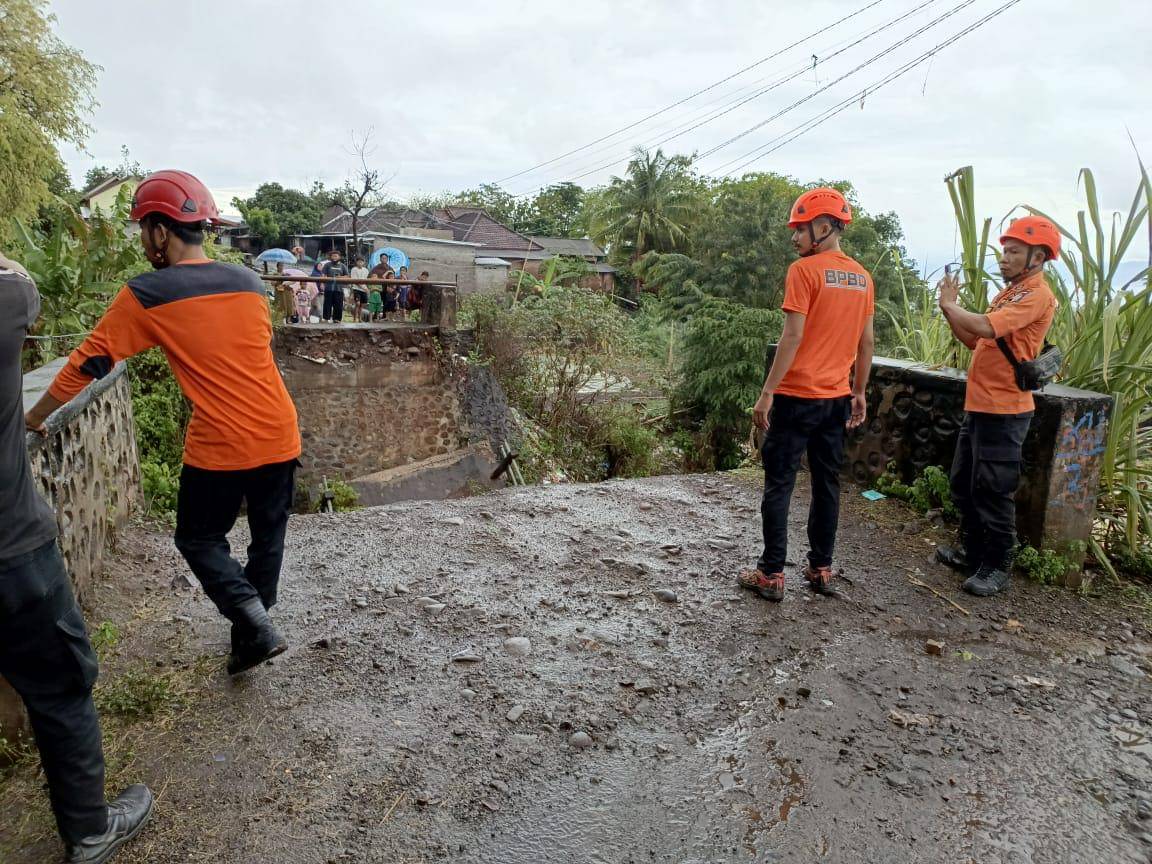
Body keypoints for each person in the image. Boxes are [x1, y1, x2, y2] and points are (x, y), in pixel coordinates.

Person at [24, 170, 302, 676]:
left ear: (160, 230)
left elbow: (89, 363)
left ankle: (255, 627)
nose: (143, 239)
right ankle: (251, 634)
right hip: (281, 431)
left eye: (143, 228)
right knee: (268, 538)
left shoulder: (149, 293)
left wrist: (35, 417)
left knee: (198, 539)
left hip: (221, 442)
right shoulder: (249, 282)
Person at [1, 251, 154, 863]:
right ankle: (90, 831)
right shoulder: (7, 298)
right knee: (62, 686)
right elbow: (19, 282)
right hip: (11, 552)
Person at [738, 188, 874, 602]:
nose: (794, 238)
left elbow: (792, 336)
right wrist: (859, 391)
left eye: (799, 229)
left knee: (779, 485)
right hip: (835, 400)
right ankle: (821, 569)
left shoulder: (804, 272)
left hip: (796, 397)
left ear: (824, 226)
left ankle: (771, 574)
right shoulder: (862, 277)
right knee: (827, 485)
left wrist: (767, 393)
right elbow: (866, 343)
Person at [934, 216, 1059, 597]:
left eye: (1014, 252)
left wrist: (951, 305)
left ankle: (999, 562)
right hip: (981, 406)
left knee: (993, 489)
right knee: (963, 484)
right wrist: (948, 310)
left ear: (1037, 256)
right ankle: (973, 553)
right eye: (1005, 251)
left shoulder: (1036, 295)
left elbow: (988, 328)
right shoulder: (1008, 293)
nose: (1004, 258)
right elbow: (977, 340)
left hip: (1005, 411)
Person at [321, 249, 349, 323]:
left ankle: (337, 319)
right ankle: (326, 318)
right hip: (329, 288)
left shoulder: (342, 266)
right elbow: (323, 275)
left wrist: (340, 277)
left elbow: (347, 276)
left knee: (338, 304)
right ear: (331, 257)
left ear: (339, 257)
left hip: (339, 288)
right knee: (327, 304)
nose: (334, 258)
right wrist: (322, 283)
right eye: (333, 256)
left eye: (336, 256)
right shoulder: (327, 265)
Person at [350, 257, 369, 322]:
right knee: (357, 304)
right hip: (356, 288)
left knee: (362, 305)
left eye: (361, 261)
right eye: (359, 261)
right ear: (356, 262)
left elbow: (366, 280)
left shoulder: (366, 270)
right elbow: (355, 280)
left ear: (363, 262)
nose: (360, 263)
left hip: (364, 289)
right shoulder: (354, 269)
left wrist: (366, 288)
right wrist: (363, 287)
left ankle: (360, 318)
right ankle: (354, 319)